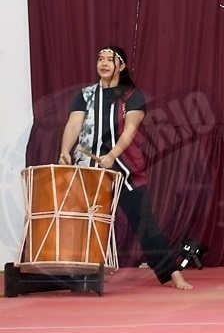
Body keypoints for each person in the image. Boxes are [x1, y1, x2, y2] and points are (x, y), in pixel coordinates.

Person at [58, 45, 193, 290]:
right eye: (100, 59)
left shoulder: (132, 96)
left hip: (124, 168)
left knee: (145, 222)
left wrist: (112, 155)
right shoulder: (85, 94)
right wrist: (65, 151)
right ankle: (76, 276)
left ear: (121, 66)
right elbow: (73, 124)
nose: (104, 63)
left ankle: (172, 273)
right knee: (81, 222)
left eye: (110, 59)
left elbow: (130, 129)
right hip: (89, 168)